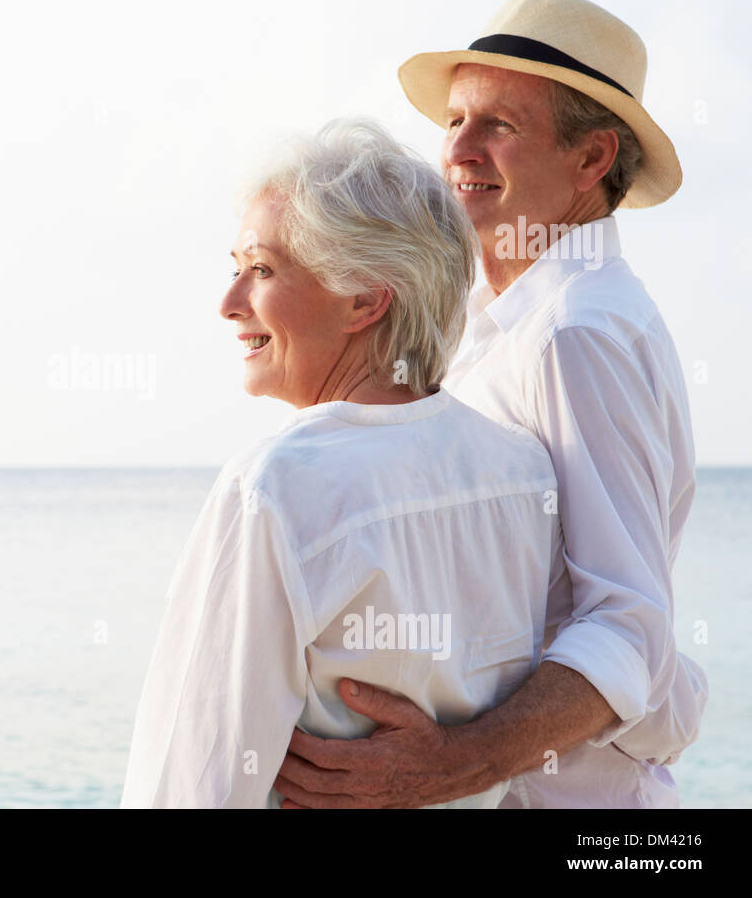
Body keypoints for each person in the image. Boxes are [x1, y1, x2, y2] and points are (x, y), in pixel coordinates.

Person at [275, 0, 707, 809]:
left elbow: (627, 628)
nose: (458, 150)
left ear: (591, 160)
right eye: (455, 121)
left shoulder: (573, 335)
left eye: (498, 126)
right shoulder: (509, 319)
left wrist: (454, 764)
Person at [120, 119, 562, 808]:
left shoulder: (274, 487)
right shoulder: (524, 474)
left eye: (261, 270)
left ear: (364, 299)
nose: (229, 303)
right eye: (234, 268)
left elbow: (191, 781)